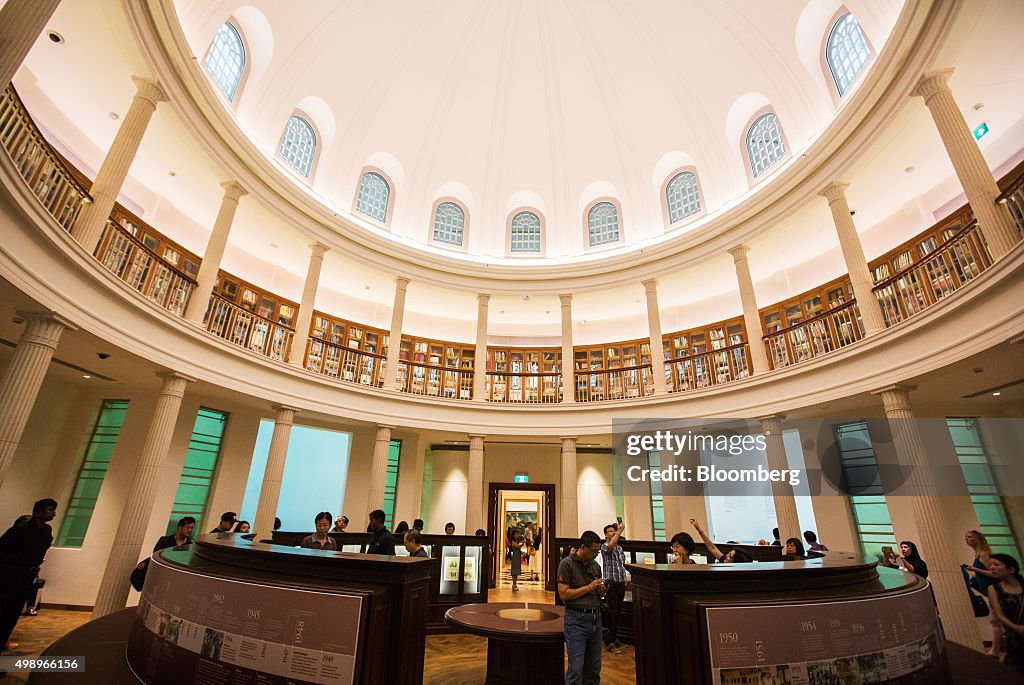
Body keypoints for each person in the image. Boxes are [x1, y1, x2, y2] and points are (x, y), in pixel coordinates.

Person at [0, 498, 57, 655]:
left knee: (12, 615)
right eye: (49, 510)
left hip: (27, 576)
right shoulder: (19, 530)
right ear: (38, 512)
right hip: (10, 574)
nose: (53, 513)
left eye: (53, 510)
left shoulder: (46, 531)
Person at [557, 530, 606, 684]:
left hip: (596, 619)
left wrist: (600, 591)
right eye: (593, 551)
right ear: (583, 547)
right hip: (576, 620)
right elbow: (564, 594)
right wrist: (590, 587)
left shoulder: (595, 566)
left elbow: (596, 593)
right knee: (576, 668)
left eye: (598, 551)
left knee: (594, 668)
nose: (596, 554)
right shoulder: (567, 564)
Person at [962, 530, 1001, 657]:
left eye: (970, 537)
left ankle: (995, 650)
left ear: (977, 539)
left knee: (996, 620)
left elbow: (994, 573)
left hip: (994, 589)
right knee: (995, 620)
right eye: (966, 537)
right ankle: (995, 650)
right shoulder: (978, 555)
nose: (967, 539)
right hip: (989, 590)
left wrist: (974, 569)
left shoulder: (984, 554)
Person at [986, 553, 1023, 675]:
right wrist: (1017, 628)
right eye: (990, 564)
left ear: (1011, 569)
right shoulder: (993, 588)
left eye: (996, 564)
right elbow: (999, 614)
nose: (991, 567)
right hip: (1012, 636)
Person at [601, 521, 627, 655]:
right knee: (611, 612)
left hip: (620, 583)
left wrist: (624, 579)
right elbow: (611, 546)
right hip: (610, 583)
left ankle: (613, 637)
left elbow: (621, 564)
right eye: (610, 531)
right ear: (606, 535)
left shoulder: (620, 549)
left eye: (614, 530)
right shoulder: (605, 546)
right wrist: (619, 531)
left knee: (618, 612)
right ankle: (609, 641)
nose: (613, 532)